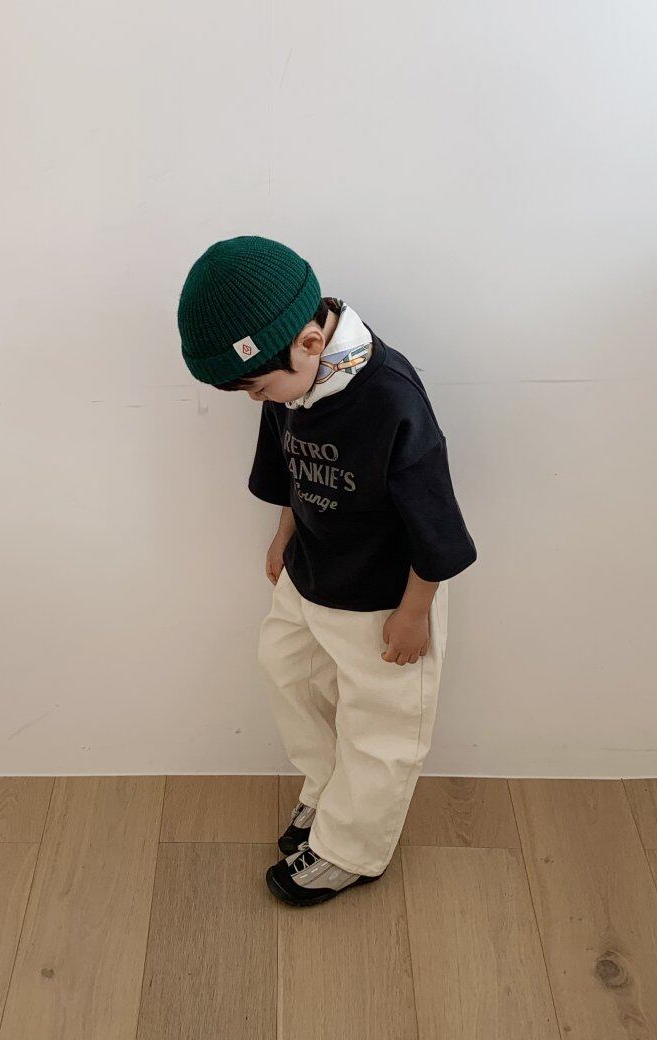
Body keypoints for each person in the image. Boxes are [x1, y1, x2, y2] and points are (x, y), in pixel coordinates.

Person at [177, 235, 477, 906]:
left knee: (382, 725)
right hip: (312, 572)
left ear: (311, 343)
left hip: (386, 597)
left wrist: (414, 612)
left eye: (259, 387)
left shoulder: (390, 397)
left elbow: (434, 517)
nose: (258, 401)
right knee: (286, 671)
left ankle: (350, 849)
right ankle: (328, 792)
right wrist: (284, 533)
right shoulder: (290, 385)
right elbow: (286, 463)